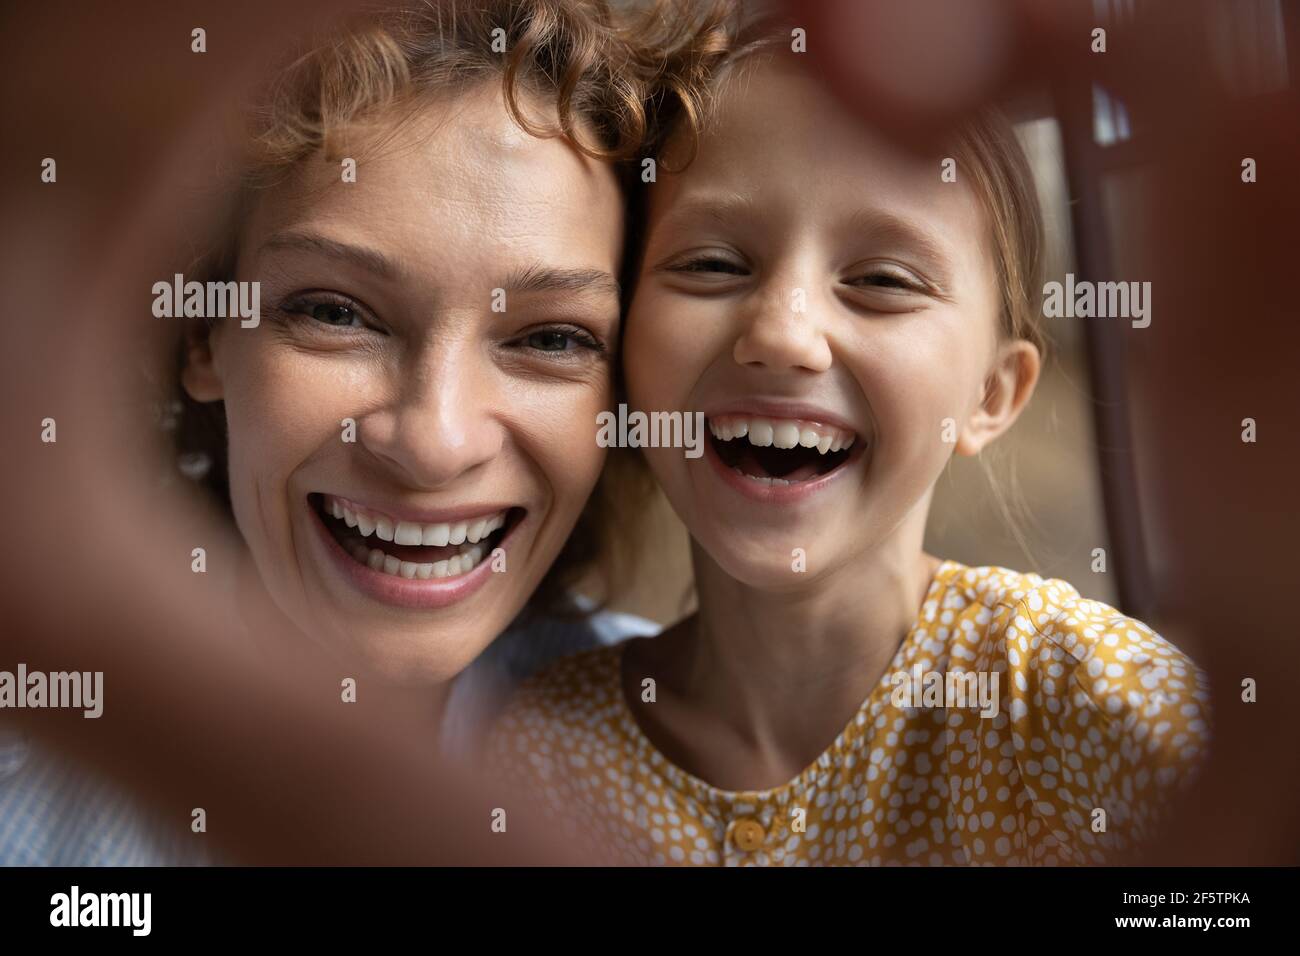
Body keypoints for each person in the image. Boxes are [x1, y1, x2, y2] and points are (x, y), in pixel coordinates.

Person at [488, 6, 1211, 866]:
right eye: (713, 264)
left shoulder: (1078, 699)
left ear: (992, 393)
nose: (784, 334)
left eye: (882, 280)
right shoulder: (536, 751)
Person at [1, 0, 665, 866]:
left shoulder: (706, 764)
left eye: (550, 339)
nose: (435, 441)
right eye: (336, 313)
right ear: (203, 333)